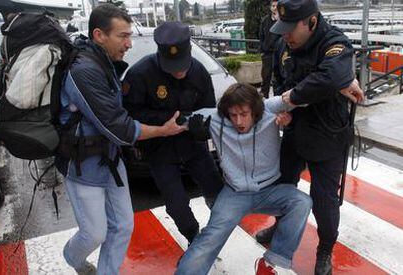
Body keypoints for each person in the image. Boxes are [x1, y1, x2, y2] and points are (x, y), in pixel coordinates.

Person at [56, 5, 186, 275]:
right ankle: (72, 258)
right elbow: (119, 128)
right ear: (99, 35)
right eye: (123, 36)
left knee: (123, 226)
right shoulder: (83, 71)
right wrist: (163, 129)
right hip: (83, 166)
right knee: (94, 233)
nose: (129, 43)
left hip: (111, 162)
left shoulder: (104, 64)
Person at [254, 0, 365, 274]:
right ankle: (280, 227)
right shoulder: (284, 45)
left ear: (312, 22)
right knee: (282, 187)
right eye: (283, 28)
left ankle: (325, 248)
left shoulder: (334, 42)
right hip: (295, 131)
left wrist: (291, 98)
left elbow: (332, 76)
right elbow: (280, 79)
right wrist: (286, 109)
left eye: (292, 28)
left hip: (327, 135)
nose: (286, 35)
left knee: (324, 200)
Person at [175, 83, 312, 274]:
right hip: (235, 194)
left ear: (255, 111)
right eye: (233, 115)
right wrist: (189, 124)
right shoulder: (216, 117)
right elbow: (175, 120)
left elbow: (305, 96)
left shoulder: (270, 108)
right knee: (209, 239)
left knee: (302, 202)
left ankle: (271, 264)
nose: (238, 121)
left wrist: (345, 83)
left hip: (270, 190)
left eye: (244, 114)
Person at [123, 22, 223, 245]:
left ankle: (217, 230)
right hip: (160, 149)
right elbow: (131, 114)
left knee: (218, 191)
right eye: (173, 66)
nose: (179, 71)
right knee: (176, 204)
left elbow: (208, 111)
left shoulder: (199, 72)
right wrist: (167, 122)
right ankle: (193, 237)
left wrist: (202, 129)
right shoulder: (140, 74)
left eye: (182, 65)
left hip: (192, 145)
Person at [258, 0, 280, 98]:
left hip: (278, 54)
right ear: (270, 7)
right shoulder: (265, 20)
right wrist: (262, 49)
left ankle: (276, 99)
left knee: (277, 78)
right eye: (273, 6)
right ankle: (263, 100)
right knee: (265, 77)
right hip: (267, 53)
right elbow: (261, 36)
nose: (275, 8)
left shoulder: (282, 21)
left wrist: (279, 19)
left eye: (277, 6)